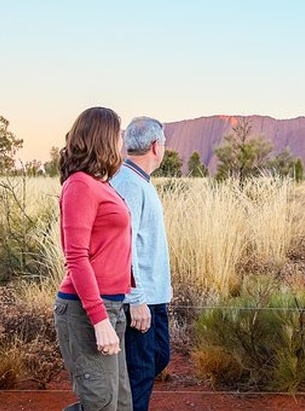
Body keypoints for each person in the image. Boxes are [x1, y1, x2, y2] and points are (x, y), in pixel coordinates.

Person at [54, 106, 134, 411]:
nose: (121, 141)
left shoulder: (101, 185)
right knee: (101, 404)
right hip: (86, 310)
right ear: (103, 137)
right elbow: (76, 257)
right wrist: (99, 319)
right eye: (118, 134)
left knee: (120, 403)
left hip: (113, 305)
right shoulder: (79, 186)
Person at [110, 117, 173, 411]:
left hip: (152, 297)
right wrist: (135, 299)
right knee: (140, 374)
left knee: (156, 359)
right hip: (140, 300)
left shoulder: (138, 181)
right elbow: (124, 244)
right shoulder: (129, 183)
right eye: (164, 143)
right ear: (155, 146)